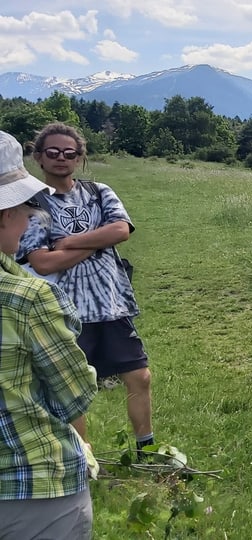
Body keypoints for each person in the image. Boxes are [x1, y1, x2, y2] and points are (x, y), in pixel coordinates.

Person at [17, 122, 155, 454]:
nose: (61, 158)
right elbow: (42, 263)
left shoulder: (99, 191)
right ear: (38, 157)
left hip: (111, 303)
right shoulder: (32, 205)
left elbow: (121, 230)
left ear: (79, 157)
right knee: (72, 390)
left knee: (140, 377)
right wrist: (97, 242)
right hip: (63, 310)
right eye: (52, 152)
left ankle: (147, 450)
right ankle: (85, 460)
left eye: (69, 153)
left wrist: (68, 243)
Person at [0, 130, 98, 538]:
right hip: (32, 487)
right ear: (4, 213)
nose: (29, 218)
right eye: (25, 206)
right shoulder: (24, 298)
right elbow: (74, 391)